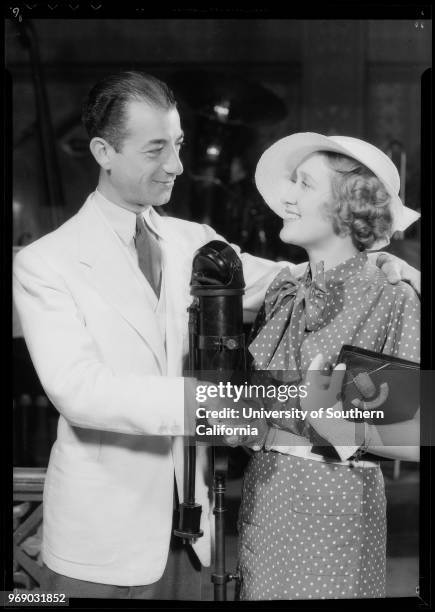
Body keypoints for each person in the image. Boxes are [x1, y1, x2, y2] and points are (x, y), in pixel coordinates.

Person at [12, 72, 419, 600]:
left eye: (177, 145)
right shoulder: (47, 262)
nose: (177, 166)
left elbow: (297, 275)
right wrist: (225, 402)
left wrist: (380, 261)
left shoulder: (197, 244)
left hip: (200, 533)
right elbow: (80, 390)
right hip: (104, 537)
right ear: (103, 151)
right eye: (156, 149)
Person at [231, 133, 420, 600]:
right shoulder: (283, 291)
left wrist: (337, 422)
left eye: (304, 185)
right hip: (264, 498)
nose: (286, 197)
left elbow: (413, 440)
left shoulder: (387, 296)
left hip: (336, 508)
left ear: (347, 204)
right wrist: (242, 417)